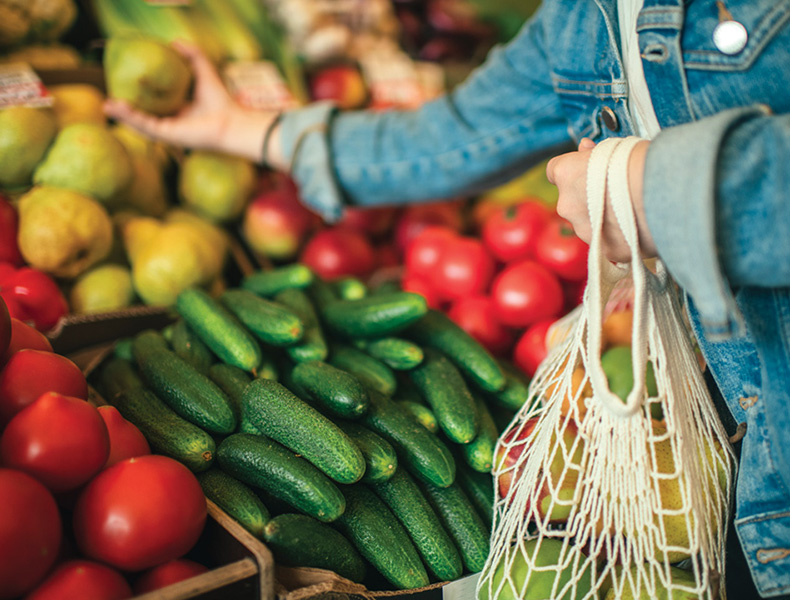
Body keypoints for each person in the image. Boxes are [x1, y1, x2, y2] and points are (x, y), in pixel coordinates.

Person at [106, 0, 790, 596]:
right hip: (736, 459)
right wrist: (242, 131)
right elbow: (456, 134)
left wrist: (652, 190)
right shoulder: (584, 14)